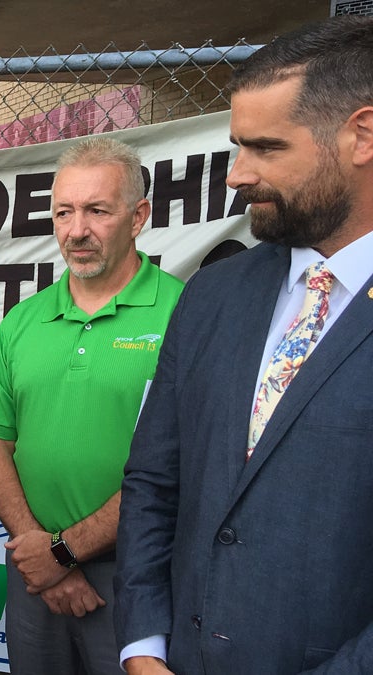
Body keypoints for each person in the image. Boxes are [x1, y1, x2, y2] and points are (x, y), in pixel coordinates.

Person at [115, 16, 373, 674]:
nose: (237, 174)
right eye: (236, 146)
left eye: (265, 148)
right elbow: (152, 481)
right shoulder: (211, 295)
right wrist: (142, 644)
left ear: (362, 136)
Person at [0, 137, 183, 674]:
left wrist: (64, 552)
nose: (76, 230)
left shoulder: (185, 312)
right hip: (34, 575)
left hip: (140, 574)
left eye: (97, 211)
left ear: (138, 217)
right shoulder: (24, 320)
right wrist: (41, 554)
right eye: (63, 212)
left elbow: (178, 463)